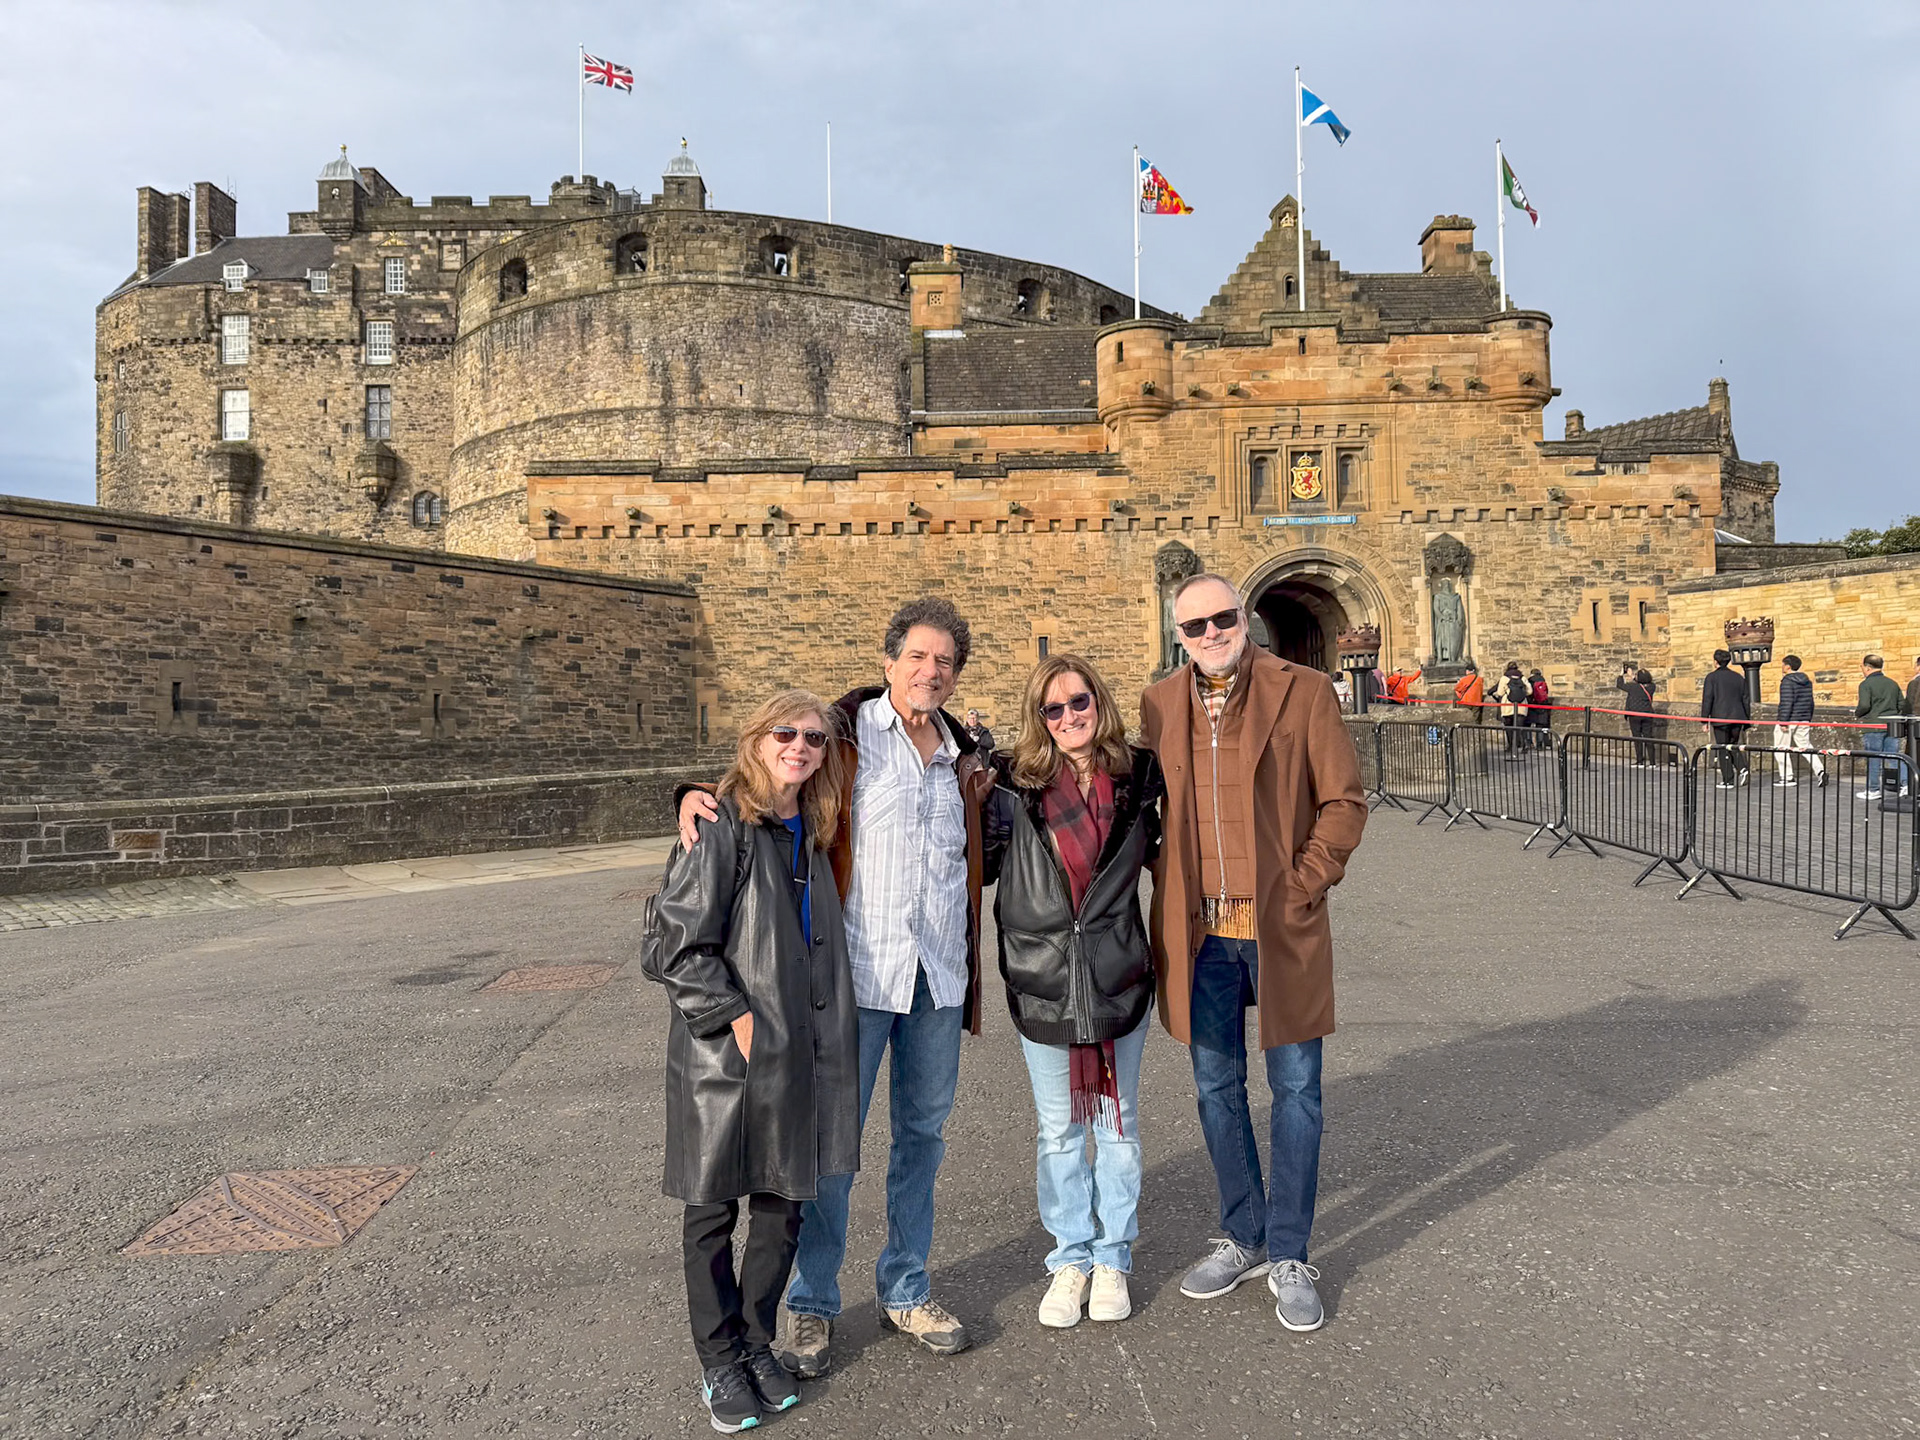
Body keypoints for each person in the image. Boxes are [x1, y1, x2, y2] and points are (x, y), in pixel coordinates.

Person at [677, 597, 993, 1377]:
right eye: (917, 657)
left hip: (937, 980)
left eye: (945, 661)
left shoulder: (967, 756)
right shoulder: (846, 741)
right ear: (888, 664)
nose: (931, 672)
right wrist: (690, 793)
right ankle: (813, 1305)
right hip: (854, 982)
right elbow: (768, 774)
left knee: (922, 1139)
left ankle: (905, 1286)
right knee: (831, 1153)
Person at [1139, 574, 1367, 1333]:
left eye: (1223, 618)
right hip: (1202, 933)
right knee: (1215, 1087)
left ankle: (1293, 1252)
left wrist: (1303, 883)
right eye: (1195, 626)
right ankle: (1244, 1234)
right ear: (1179, 634)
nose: (1211, 634)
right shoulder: (1161, 702)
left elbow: (1343, 800)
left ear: (1246, 617)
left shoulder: (1302, 690)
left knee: (1297, 1090)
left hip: (1279, 925)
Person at [644, 691, 859, 1434]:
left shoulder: (815, 825)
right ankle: (717, 1359)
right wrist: (735, 1018)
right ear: (756, 740)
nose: (799, 746)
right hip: (724, 1057)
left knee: (783, 1207)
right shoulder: (719, 824)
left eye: (813, 738)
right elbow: (673, 947)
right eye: (784, 733)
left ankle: (755, 1340)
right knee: (712, 1211)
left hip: (799, 1048)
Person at [981, 654, 1163, 1330]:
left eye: (1078, 702)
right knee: (1060, 1132)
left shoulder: (1142, 776)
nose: (1067, 717)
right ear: (1037, 717)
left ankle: (1113, 1255)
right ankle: (1071, 1257)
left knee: (1117, 1129)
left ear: (1099, 701)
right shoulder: (1007, 785)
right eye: (1051, 709)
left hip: (1118, 978)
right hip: (1046, 984)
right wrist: (694, 796)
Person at [1855, 653, 1907, 799]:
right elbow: (1901, 704)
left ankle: (1873, 789)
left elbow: (1864, 705)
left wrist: (1858, 713)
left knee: (1873, 757)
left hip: (1873, 725)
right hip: (1891, 725)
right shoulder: (1892, 683)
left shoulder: (1865, 684)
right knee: (1895, 756)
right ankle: (1906, 784)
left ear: (1868, 667)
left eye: (1862, 667)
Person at [1700, 648, 1752, 788]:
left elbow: (1707, 699)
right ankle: (1742, 768)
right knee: (1732, 745)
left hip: (1721, 717)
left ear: (1716, 662)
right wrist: (1746, 720)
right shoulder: (1738, 677)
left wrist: (1705, 720)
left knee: (1723, 747)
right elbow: (1746, 699)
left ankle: (1728, 779)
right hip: (1737, 717)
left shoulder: (1711, 677)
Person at [1772, 654, 1824, 788]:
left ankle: (1787, 777)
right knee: (1806, 747)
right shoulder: (1807, 681)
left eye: (1783, 664)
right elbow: (1810, 702)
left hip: (1790, 719)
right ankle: (1820, 770)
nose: (1781, 667)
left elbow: (1787, 702)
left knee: (1780, 747)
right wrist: (1808, 717)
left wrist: (1783, 721)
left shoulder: (1787, 681)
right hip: (1803, 718)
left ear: (1788, 666)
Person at [1624, 668, 1660, 767]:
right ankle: (1652, 762)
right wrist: (1633, 677)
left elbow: (1620, 684)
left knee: (1637, 738)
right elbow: (1642, 684)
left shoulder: (1633, 687)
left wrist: (1621, 675)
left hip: (1635, 715)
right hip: (1647, 715)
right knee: (1649, 738)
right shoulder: (1652, 687)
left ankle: (1640, 761)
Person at [1500, 662, 1529, 756]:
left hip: (1508, 706)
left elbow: (1500, 692)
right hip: (1521, 705)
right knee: (1521, 727)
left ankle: (1511, 746)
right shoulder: (1523, 678)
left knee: (1508, 727)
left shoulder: (1504, 678)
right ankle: (1524, 745)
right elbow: (1530, 691)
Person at [1527, 669, 1553, 749]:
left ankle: (1529, 743)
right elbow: (1546, 693)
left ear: (1532, 674)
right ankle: (1539, 745)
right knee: (1540, 726)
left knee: (1528, 726)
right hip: (1542, 706)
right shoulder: (1543, 681)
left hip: (1532, 706)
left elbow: (1528, 693)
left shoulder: (1530, 681)